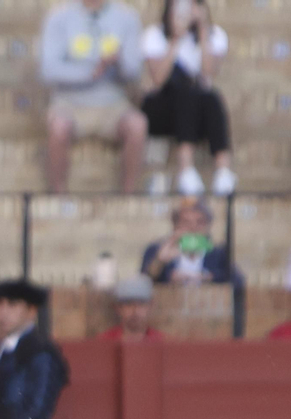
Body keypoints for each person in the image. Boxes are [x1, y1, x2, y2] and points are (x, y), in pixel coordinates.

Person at [41, 0, 146, 194]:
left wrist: (118, 62)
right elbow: (49, 71)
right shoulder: (59, 16)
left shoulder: (128, 17)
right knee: (57, 127)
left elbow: (134, 71)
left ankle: (128, 198)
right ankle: (58, 198)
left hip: (113, 104)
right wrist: (92, 73)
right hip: (69, 103)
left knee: (137, 125)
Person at [140, 0, 233, 196]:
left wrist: (202, 32)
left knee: (212, 98)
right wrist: (175, 39)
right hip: (163, 108)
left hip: (197, 108)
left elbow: (207, 75)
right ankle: (185, 167)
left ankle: (223, 170)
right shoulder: (154, 35)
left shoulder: (214, 36)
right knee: (185, 95)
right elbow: (158, 80)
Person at [0, 278, 68, 419]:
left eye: (12, 305)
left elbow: (35, 414)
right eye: (0, 305)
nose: (3, 312)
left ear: (31, 311)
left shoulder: (41, 352)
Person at [140, 196, 232, 284]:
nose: (193, 228)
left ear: (208, 226)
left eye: (200, 222)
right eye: (186, 222)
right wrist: (160, 261)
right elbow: (145, 281)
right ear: (175, 226)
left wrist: (206, 278)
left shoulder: (218, 253)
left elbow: (236, 281)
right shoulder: (156, 249)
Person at [98, 275, 164, 341]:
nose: (135, 310)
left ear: (150, 306)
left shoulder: (162, 342)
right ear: (118, 307)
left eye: (141, 304)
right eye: (128, 304)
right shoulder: (104, 342)